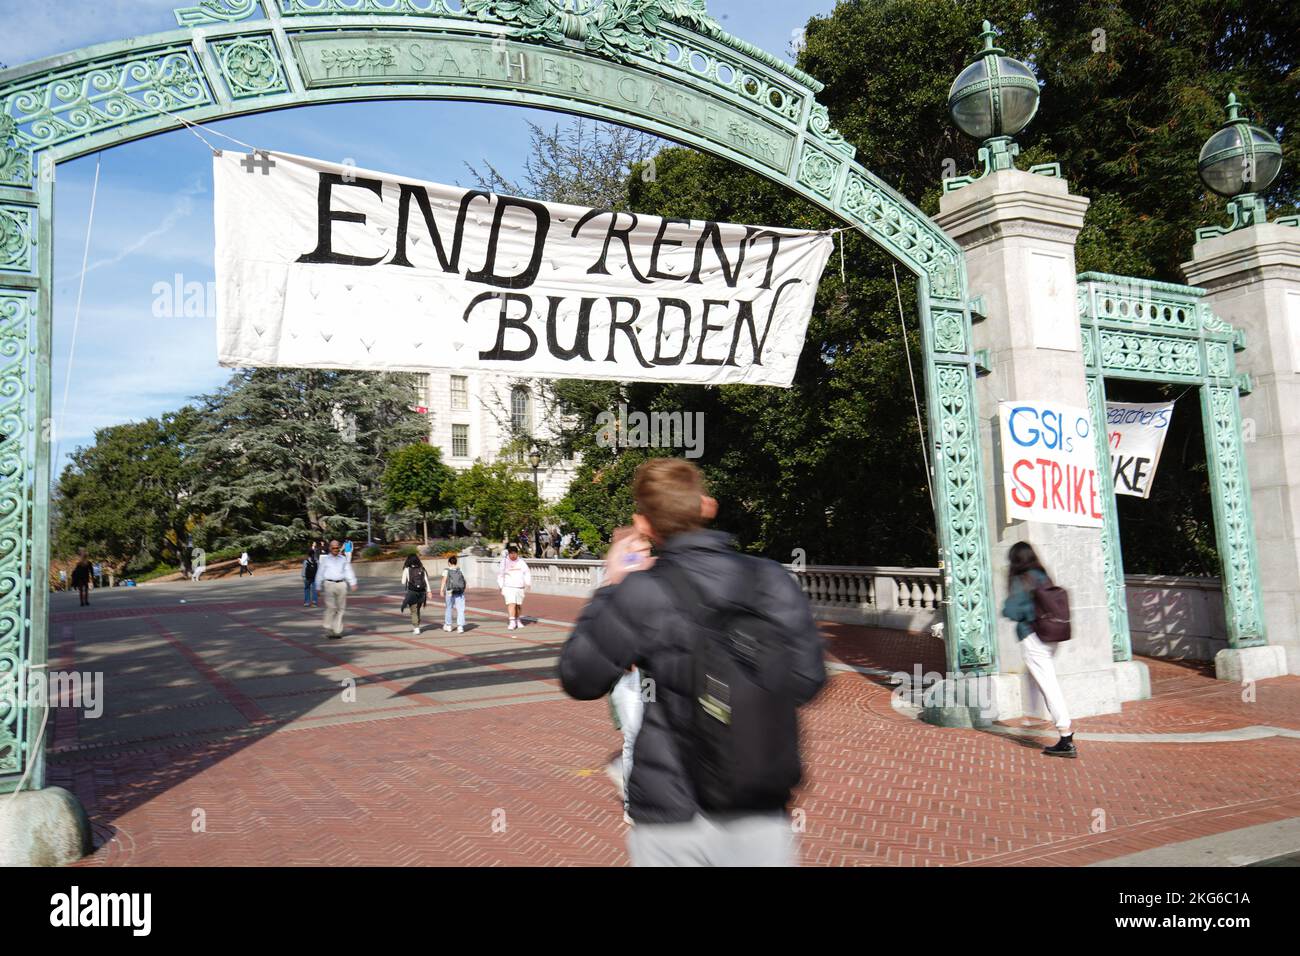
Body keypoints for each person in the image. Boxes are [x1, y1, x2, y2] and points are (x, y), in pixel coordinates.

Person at [559, 458, 827, 866]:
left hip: (672, 807)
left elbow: (580, 677)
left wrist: (611, 587)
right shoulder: (771, 578)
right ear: (707, 506)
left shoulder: (640, 592)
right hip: (758, 802)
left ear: (643, 524)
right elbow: (807, 680)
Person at [1001, 542, 1076, 758]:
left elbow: (1011, 610)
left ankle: (1065, 735)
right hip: (1051, 636)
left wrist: (1011, 609)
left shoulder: (1021, 579)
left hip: (1033, 637)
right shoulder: (1042, 575)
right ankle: (1031, 716)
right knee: (1034, 676)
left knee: (1048, 685)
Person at [314, 540, 358, 639]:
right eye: (333, 548)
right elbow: (320, 573)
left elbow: (348, 571)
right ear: (330, 548)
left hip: (341, 584)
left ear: (339, 548)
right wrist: (317, 587)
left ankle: (337, 631)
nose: (335, 550)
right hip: (329, 584)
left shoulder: (343, 559)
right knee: (331, 607)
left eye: (337, 548)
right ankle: (328, 627)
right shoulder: (325, 560)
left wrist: (353, 582)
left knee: (341, 609)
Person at [497, 544, 531, 630]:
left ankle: (517, 620)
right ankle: (512, 622)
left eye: (514, 553)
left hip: (519, 587)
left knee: (518, 605)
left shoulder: (521, 562)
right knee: (511, 603)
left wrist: (528, 583)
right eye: (511, 553)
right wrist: (501, 586)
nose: (513, 555)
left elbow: (527, 573)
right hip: (508, 586)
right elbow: (500, 575)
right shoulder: (504, 562)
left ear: (517, 553)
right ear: (508, 554)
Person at [401, 553, 431, 635]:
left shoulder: (407, 569)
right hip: (422, 592)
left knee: (413, 611)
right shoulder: (422, 568)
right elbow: (426, 581)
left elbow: (403, 582)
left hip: (412, 592)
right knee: (417, 609)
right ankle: (417, 625)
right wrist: (429, 591)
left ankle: (416, 627)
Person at [440, 554, 467, 633]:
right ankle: (460, 627)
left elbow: (444, 580)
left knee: (449, 608)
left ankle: (448, 626)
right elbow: (463, 581)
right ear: (456, 562)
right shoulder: (460, 570)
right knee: (460, 609)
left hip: (449, 592)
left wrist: (441, 590)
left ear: (449, 563)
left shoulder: (446, 570)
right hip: (459, 591)